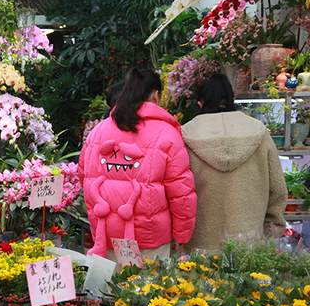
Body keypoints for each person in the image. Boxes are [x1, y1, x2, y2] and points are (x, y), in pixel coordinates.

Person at [79, 68, 197, 260]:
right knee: (147, 289)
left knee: (109, 288)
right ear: (156, 95)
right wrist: (182, 235)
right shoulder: (167, 133)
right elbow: (181, 191)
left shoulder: (98, 131)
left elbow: (85, 178)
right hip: (150, 241)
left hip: (105, 236)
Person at [181, 73, 287, 252]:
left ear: (200, 103)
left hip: (198, 246)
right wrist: (272, 229)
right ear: (233, 99)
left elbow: (176, 190)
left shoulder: (184, 135)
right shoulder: (259, 133)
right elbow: (278, 189)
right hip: (249, 243)